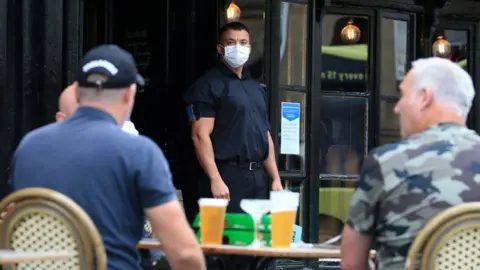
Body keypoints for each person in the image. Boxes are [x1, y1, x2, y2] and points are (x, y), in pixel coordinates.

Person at [9, 44, 205, 270]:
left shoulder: (29, 146)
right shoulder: (139, 152)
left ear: (78, 91)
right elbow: (184, 253)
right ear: (130, 93)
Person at [341, 57, 480, 270]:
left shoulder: (385, 162)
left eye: (403, 95)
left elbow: (351, 264)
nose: (396, 108)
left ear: (424, 97)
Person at [184, 22, 283, 213]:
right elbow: (199, 136)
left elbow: (265, 134)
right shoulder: (207, 85)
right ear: (220, 49)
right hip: (227, 177)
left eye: (243, 42)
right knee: (228, 237)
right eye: (231, 42)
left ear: (249, 47)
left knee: (257, 239)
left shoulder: (256, 88)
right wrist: (215, 179)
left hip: (258, 178)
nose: (238, 47)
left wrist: (276, 178)